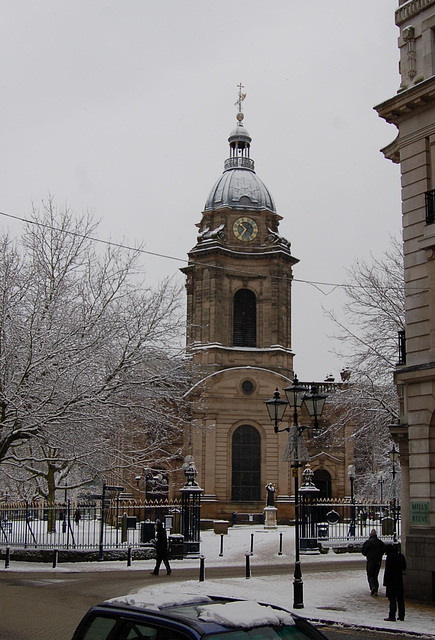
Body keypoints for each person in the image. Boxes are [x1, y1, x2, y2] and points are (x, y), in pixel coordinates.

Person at [383, 544, 406, 621]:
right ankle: (401, 615)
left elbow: (388, 570)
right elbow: (404, 567)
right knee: (400, 599)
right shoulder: (401, 556)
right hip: (399, 580)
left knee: (392, 599)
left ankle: (392, 615)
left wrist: (385, 582)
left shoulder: (390, 557)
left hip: (391, 581)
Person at [361, 529, 385, 596]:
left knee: (370, 575)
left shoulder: (368, 542)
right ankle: (376, 590)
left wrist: (368, 555)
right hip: (378, 561)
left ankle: (372, 587)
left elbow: (364, 551)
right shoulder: (380, 542)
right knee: (375, 575)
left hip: (371, 560)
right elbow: (383, 550)